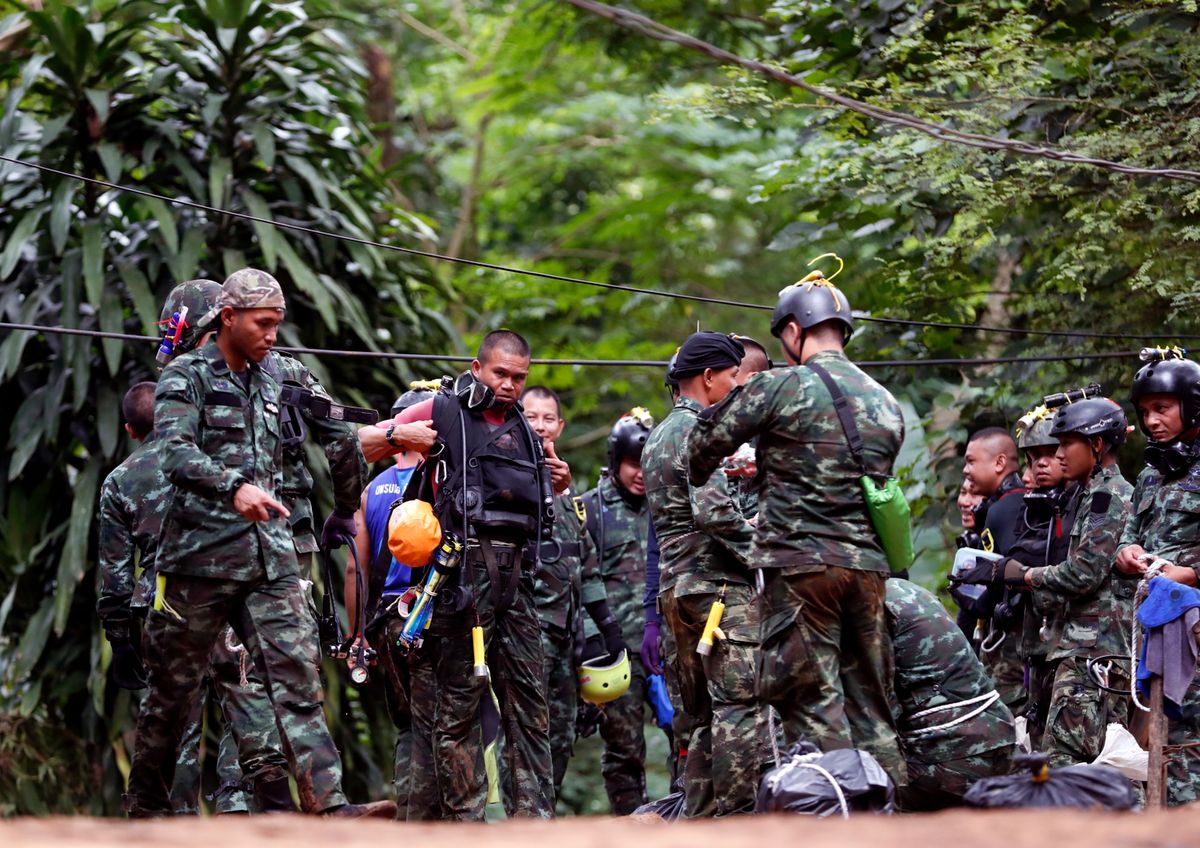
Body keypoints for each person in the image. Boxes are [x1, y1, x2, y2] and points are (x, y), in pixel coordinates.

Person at [124, 269, 387, 818]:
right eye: (263, 324)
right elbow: (172, 452)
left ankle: (329, 805)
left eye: (277, 324)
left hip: (271, 557)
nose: (272, 335)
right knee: (171, 695)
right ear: (228, 319)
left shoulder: (284, 375)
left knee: (297, 678)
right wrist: (233, 486)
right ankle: (145, 808)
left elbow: (339, 434)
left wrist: (345, 508)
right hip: (199, 560)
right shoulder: (185, 377)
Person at [688, 270, 907, 787]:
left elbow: (702, 449)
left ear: (793, 331)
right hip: (868, 570)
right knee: (872, 707)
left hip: (802, 569)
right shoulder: (885, 402)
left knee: (813, 701)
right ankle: (894, 818)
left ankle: (835, 819)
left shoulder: (780, 385)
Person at [387, 330, 563, 820]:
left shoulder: (527, 432)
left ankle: (534, 823)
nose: (508, 386)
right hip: (462, 577)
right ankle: (465, 825)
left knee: (531, 706)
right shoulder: (442, 410)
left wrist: (558, 480)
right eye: (500, 374)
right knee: (458, 711)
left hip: (519, 581)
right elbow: (363, 443)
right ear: (477, 367)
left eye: (519, 378)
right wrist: (397, 436)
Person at [642, 331, 765, 817]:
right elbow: (713, 511)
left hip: (676, 593)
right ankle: (736, 823)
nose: (737, 386)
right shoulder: (701, 430)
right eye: (733, 376)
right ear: (709, 377)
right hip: (717, 592)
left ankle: (698, 820)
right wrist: (763, 550)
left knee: (700, 719)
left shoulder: (658, 435)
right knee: (738, 707)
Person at [1023, 398, 1134, 767]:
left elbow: (1084, 572)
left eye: (1066, 443)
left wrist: (1025, 577)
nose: (1058, 454)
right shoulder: (1089, 495)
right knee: (1099, 764)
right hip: (1088, 651)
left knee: (1065, 762)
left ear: (1097, 445)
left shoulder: (1109, 497)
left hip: (1092, 652)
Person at [345, 382, 437, 819]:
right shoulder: (441, 483)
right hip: (430, 617)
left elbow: (355, 569)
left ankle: (406, 820)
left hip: (385, 622)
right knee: (444, 724)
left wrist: (357, 634)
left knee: (408, 726)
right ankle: (433, 825)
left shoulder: (372, 490)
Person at [520, 385, 616, 800]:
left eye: (548, 419)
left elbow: (586, 566)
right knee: (524, 736)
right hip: (525, 635)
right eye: (531, 417)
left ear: (559, 426)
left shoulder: (568, 494)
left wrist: (605, 633)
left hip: (567, 640)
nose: (540, 426)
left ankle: (544, 823)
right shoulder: (506, 480)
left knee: (561, 736)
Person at [1114, 355, 1200, 805]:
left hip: (1195, 628)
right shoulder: (1149, 476)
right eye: (1144, 411)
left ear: (1193, 407)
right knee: (1164, 739)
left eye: (1163, 408)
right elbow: (1130, 537)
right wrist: (1127, 554)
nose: (1151, 421)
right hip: (1158, 629)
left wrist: (1190, 573)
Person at [886, 577, 1016, 811]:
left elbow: (878, 716)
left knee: (849, 785)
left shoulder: (870, 609)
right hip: (1002, 740)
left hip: (953, 761)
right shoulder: (910, 590)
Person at [581, 409, 654, 814]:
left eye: (647, 465)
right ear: (615, 462)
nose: (640, 475)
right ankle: (631, 823)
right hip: (617, 654)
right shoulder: (590, 510)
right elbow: (579, 583)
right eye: (632, 465)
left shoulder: (669, 508)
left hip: (667, 648)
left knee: (689, 738)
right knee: (624, 749)